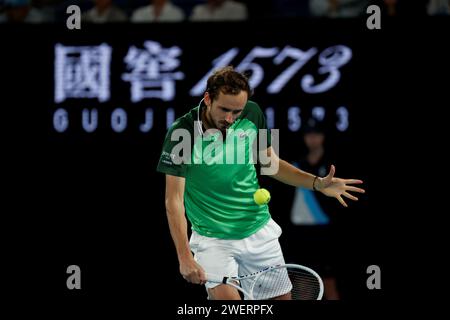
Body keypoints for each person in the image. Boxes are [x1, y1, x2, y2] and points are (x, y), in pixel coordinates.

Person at [156, 66, 365, 300]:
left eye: (236, 112)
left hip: (258, 231)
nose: (229, 118)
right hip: (212, 239)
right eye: (224, 109)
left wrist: (317, 183)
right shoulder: (181, 133)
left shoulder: (253, 113)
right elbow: (173, 200)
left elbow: (271, 164)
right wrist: (184, 256)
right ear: (207, 99)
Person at [286, 118, 341, 299]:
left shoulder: (332, 165)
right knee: (302, 284)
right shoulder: (296, 165)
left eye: (316, 134)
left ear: (323, 137)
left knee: (329, 283)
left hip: (325, 233)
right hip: (299, 234)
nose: (312, 139)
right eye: (308, 135)